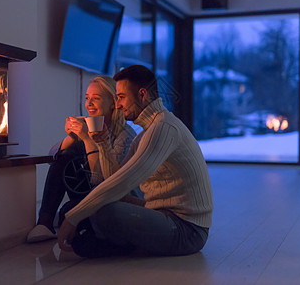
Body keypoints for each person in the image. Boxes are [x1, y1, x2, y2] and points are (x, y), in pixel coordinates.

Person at [58, 65, 213, 257]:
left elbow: (122, 183)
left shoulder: (163, 128)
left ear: (142, 95)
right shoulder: (147, 132)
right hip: (160, 214)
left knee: (104, 213)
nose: (117, 104)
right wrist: (103, 143)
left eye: (121, 97)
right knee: (74, 208)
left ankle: (121, 244)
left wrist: (73, 219)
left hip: (187, 230)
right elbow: (113, 179)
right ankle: (117, 240)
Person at [26, 76, 137, 243]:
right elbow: (53, 158)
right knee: (67, 152)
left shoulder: (125, 135)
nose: (89, 104)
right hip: (90, 193)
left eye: (96, 99)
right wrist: (70, 137)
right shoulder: (88, 125)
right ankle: (45, 222)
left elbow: (103, 182)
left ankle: (76, 226)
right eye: (87, 98)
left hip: (113, 199)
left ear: (113, 103)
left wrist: (87, 140)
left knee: (67, 211)